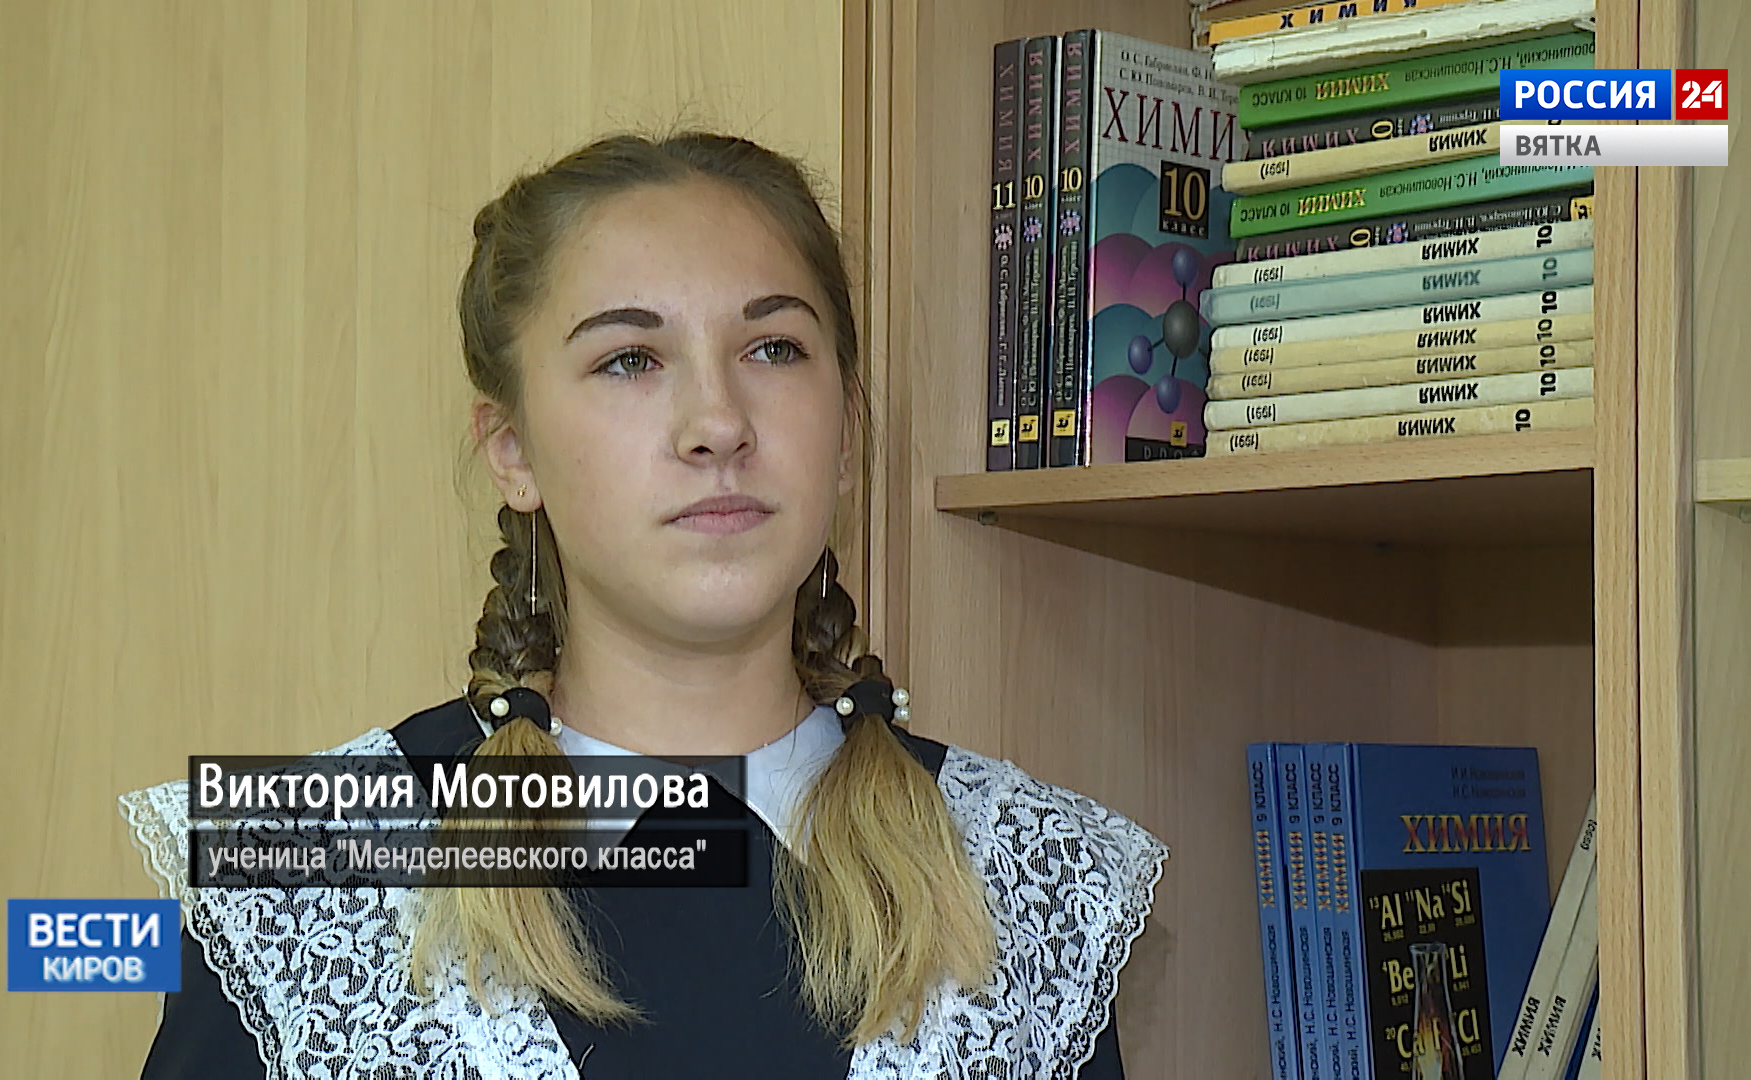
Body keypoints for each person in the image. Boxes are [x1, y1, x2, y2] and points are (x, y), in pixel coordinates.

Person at [119, 131, 1167, 1079]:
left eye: (773, 348)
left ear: (847, 431)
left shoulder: (1034, 882)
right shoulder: (302, 870)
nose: (718, 422)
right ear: (512, 450)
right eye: (629, 359)